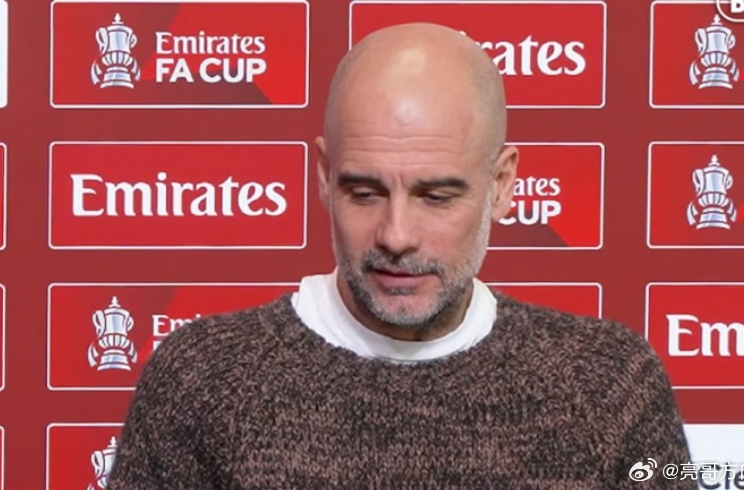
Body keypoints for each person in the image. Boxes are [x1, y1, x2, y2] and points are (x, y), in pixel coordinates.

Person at [105, 23, 695, 489]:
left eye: (436, 197)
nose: (395, 235)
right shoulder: (202, 381)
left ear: (501, 184)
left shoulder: (610, 383)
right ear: (324, 176)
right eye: (364, 192)